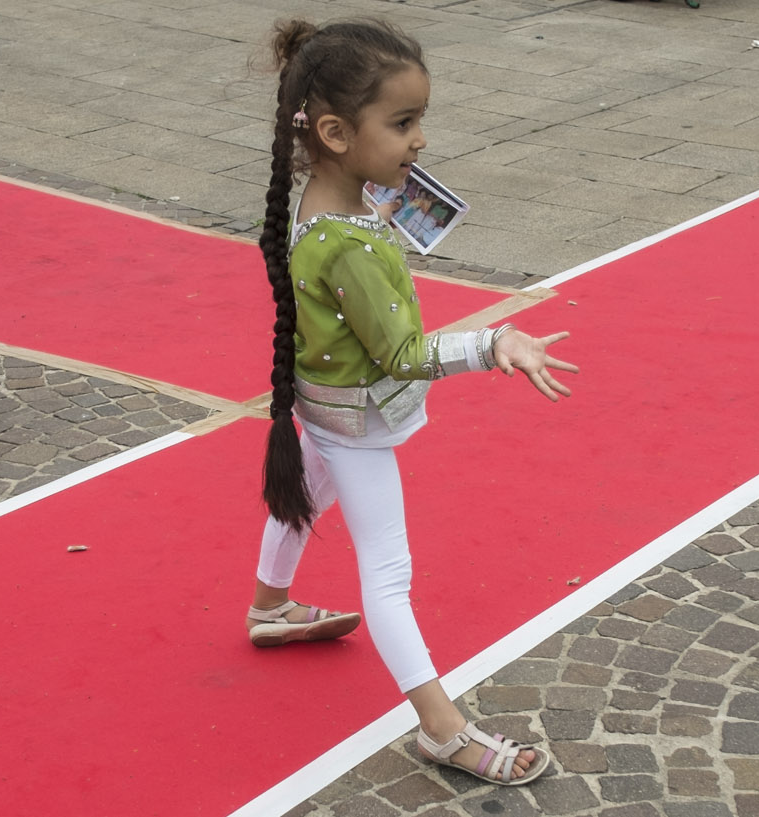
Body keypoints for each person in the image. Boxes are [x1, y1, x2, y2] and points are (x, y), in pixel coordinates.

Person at [246, 18, 581, 788]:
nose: (420, 140)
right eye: (403, 123)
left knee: (306, 493)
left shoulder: (326, 206)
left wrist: (381, 219)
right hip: (358, 421)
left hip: (317, 405)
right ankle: (442, 729)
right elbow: (401, 352)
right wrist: (492, 342)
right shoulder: (352, 243)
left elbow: (345, 273)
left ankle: (269, 606)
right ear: (333, 131)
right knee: (388, 577)